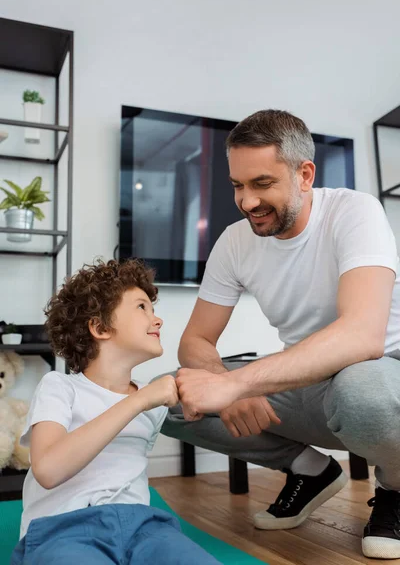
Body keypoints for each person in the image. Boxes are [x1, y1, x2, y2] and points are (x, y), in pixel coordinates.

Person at [161, 109, 400, 560]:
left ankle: (397, 487)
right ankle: (311, 471)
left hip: (383, 376)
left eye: (262, 184)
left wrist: (237, 382)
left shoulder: (355, 212)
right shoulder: (234, 242)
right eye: (237, 185)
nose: (247, 201)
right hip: (310, 386)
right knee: (173, 396)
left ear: (304, 174)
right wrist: (226, 387)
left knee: (363, 390)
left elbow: (362, 336)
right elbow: (195, 342)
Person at [11, 259, 221, 565]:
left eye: (153, 309)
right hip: (65, 528)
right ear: (99, 327)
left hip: (143, 528)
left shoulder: (154, 402)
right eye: (141, 307)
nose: (157, 319)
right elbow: (48, 469)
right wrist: (138, 401)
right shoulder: (59, 387)